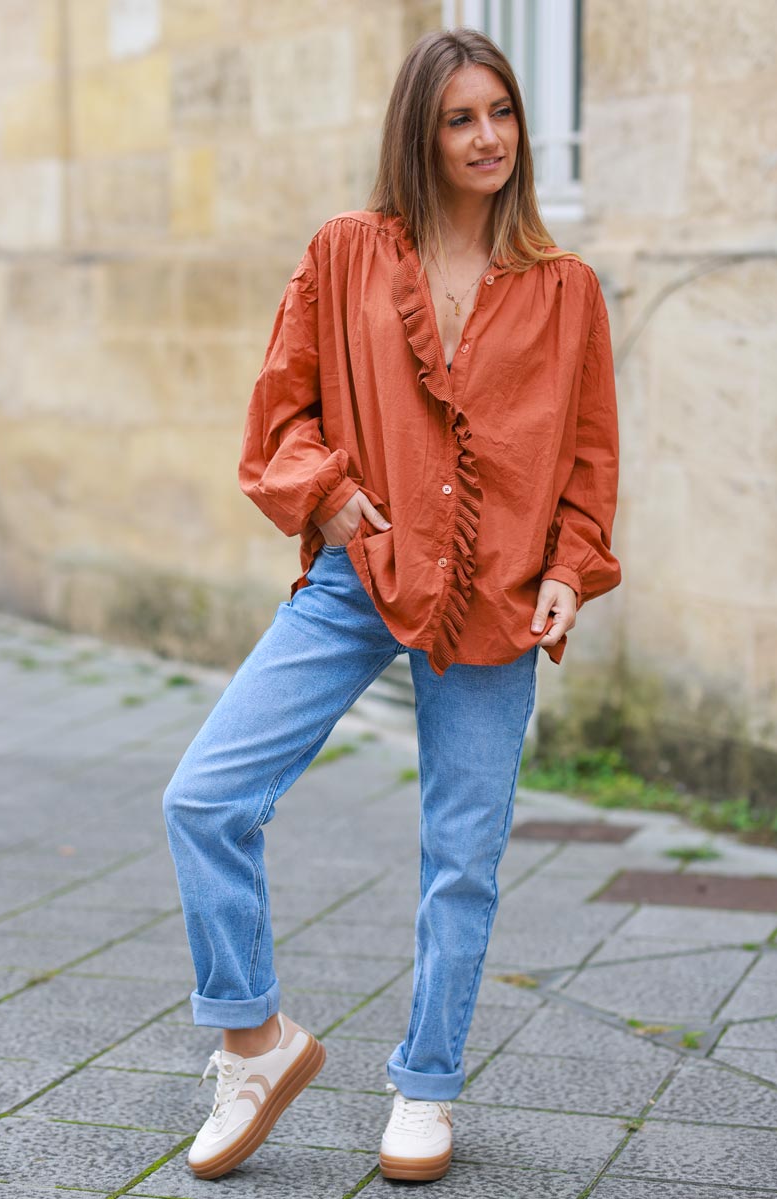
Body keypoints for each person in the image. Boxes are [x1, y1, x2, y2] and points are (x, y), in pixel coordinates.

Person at [162, 25, 621, 1186]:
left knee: (459, 857)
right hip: (358, 574)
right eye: (460, 117)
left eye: (502, 114)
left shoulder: (566, 292)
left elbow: (584, 456)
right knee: (204, 795)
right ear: (418, 131)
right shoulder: (346, 254)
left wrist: (568, 568)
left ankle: (424, 1086)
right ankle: (252, 1041)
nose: (486, 139)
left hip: (500, 592)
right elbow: (280, 413)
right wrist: (328, 499)